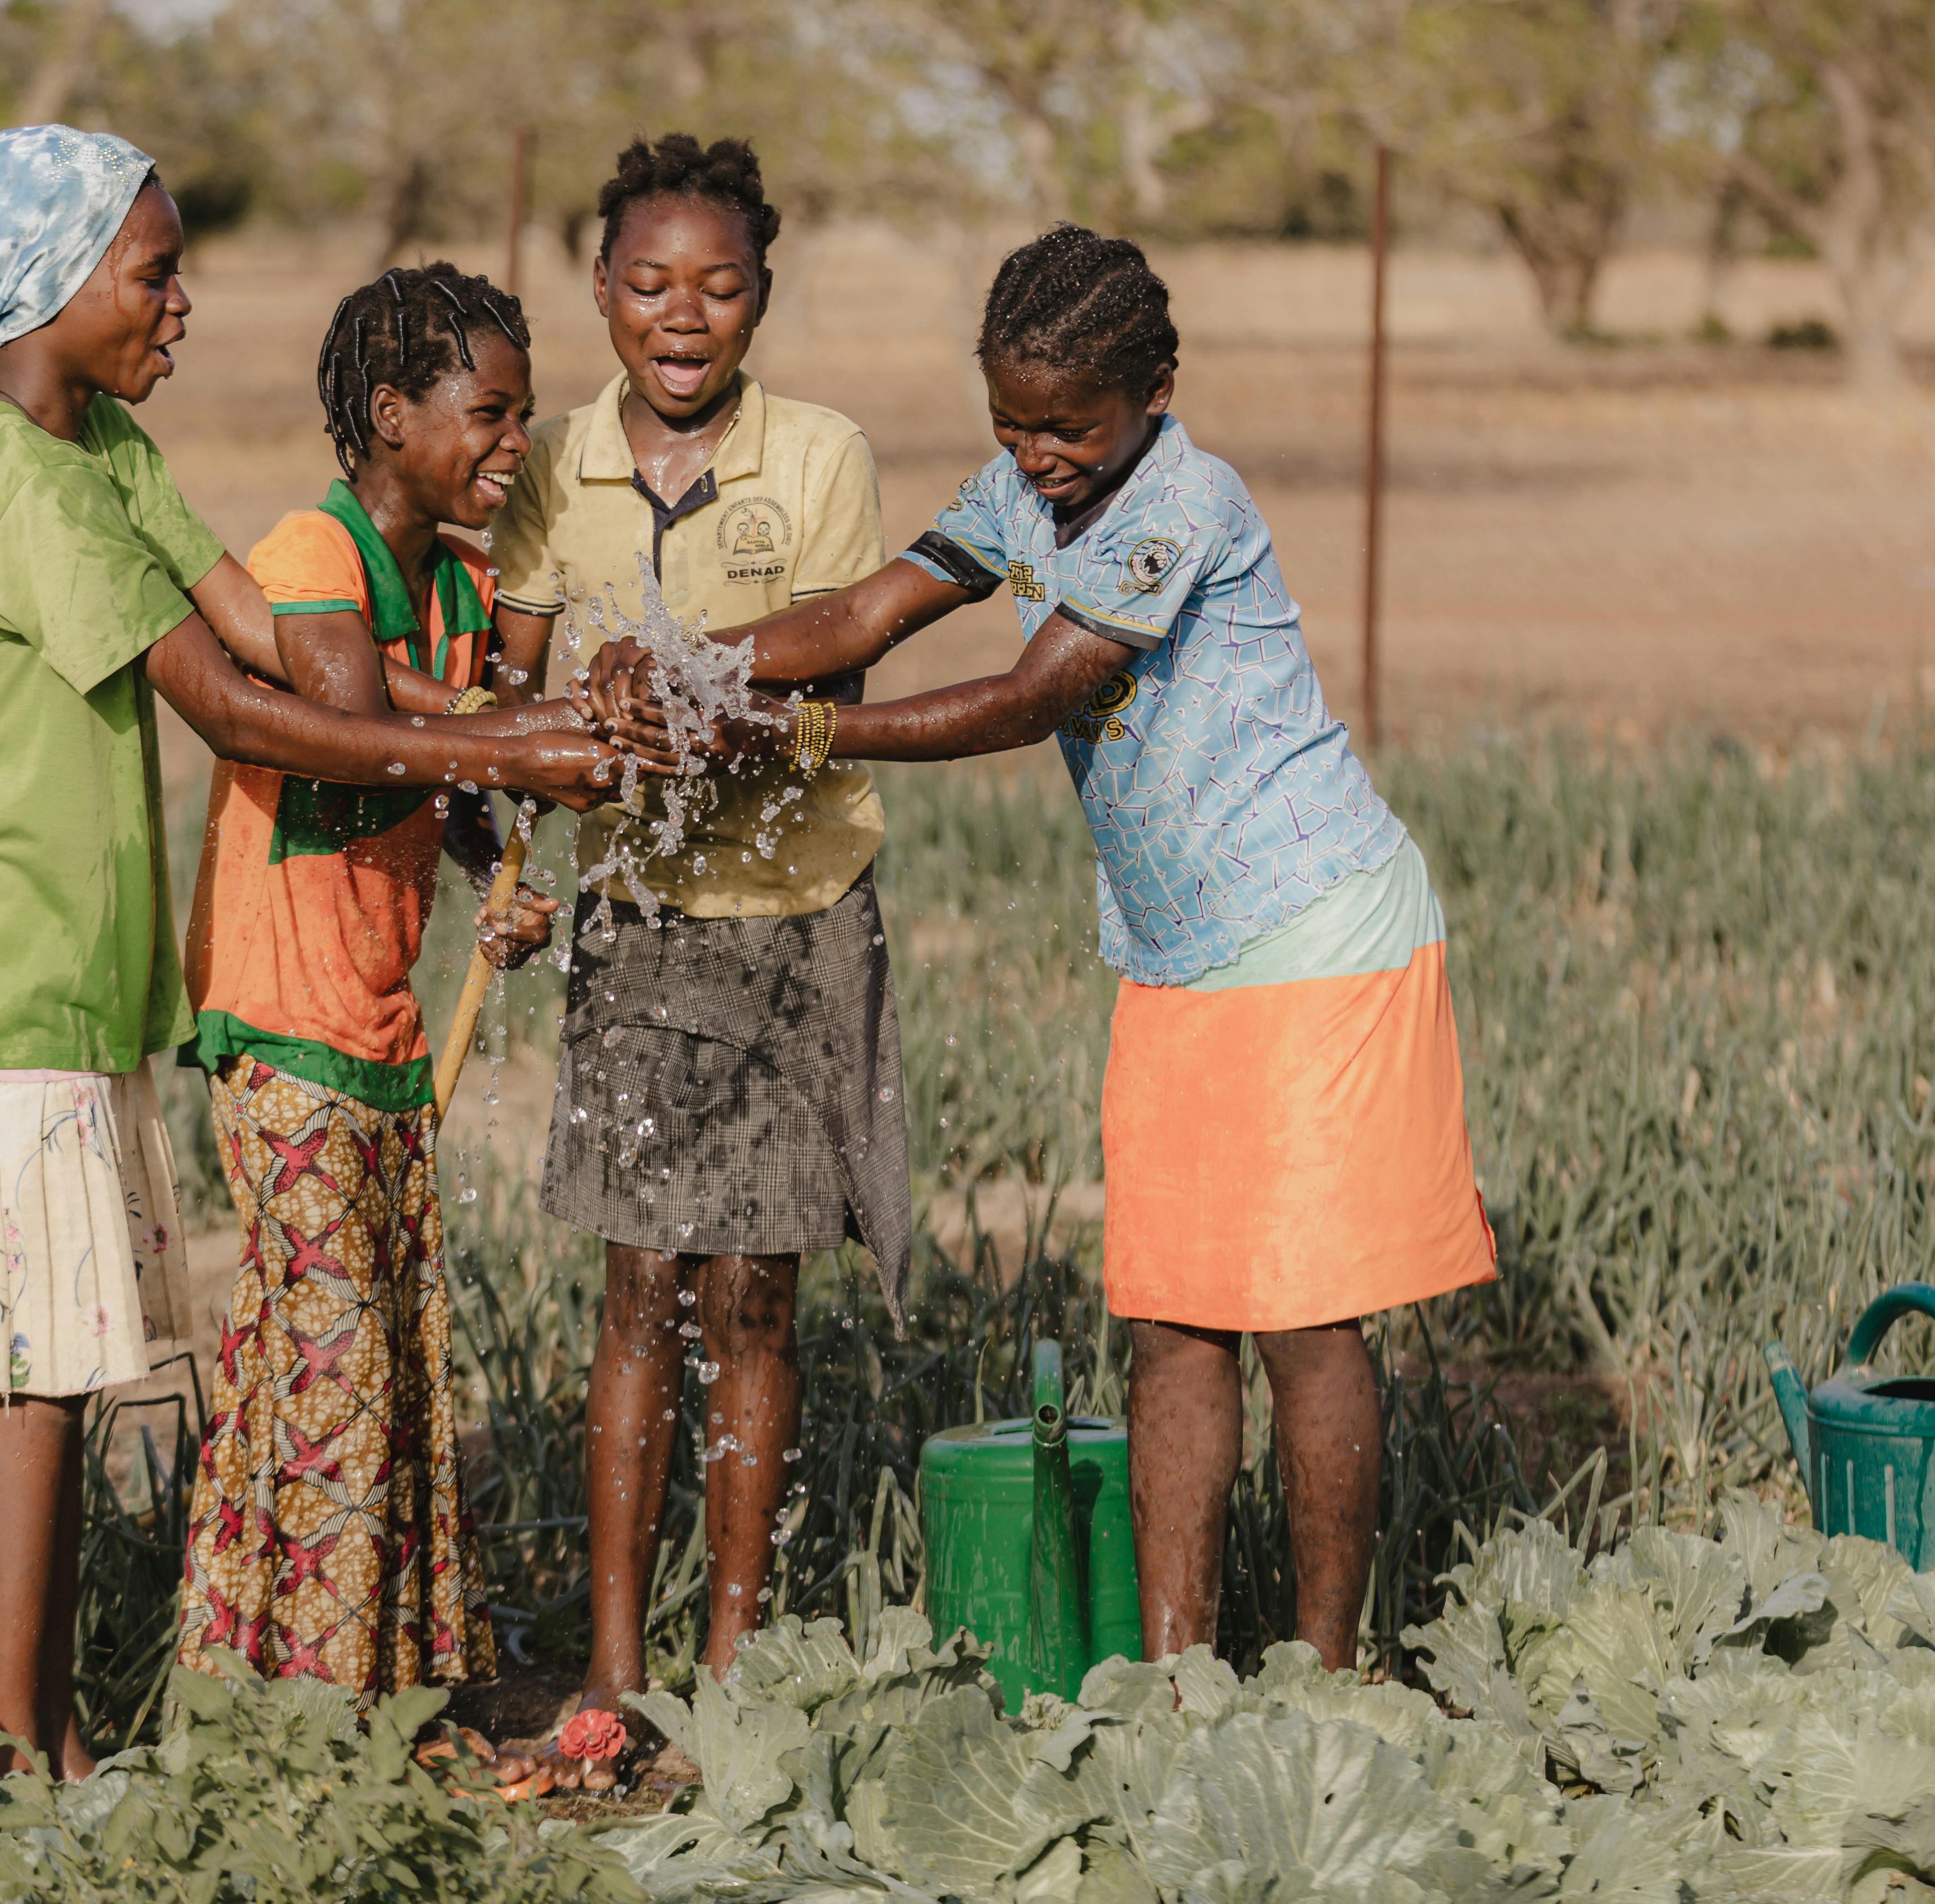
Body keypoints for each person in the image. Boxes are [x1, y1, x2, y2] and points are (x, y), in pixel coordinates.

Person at [0, 126, 612, 1780]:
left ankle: (49, 1733)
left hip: (80, 982)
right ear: (48, 287)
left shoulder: (92, 443)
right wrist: (494, 750)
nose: (183, 303)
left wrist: (486, 725)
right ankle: (10, 1750)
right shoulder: (8, 481)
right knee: (26, 1378)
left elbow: (262, 629)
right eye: (154, 271)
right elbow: (236, 703)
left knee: (66, 1368)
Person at [589, 223, 1497, 1672]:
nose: (1040, 453)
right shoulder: (1019, 489)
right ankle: (1180, 1679)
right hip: (1180, 954)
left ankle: (1330, 1671)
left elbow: (1028, 698)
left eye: (1070, 425)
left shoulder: (1183, 505)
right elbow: (869, 610)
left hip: (1320, 935)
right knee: (1175, 1324)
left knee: (1306, 1325)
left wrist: (781, 730)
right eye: (1011, 422)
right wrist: (694, 661)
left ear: (1156, 387)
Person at [484, 135, 912, 1789]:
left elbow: (825, 667)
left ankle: (730, 1660)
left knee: (756, 1291)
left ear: (763, 299)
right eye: (650, 286)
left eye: (720, 288)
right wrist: (519, 849)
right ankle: (614, 1667)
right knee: (639, 1292)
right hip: (637, 931)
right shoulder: (552, 470)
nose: (684, 317)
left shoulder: (817, 456)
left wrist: (691, 714)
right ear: (601, 292)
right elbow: (518, 698)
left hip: (796, 921)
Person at [170, 263, 574, 1701]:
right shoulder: (310, 556)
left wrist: (494, 879)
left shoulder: (458, 585)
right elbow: (350, 713)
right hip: (278, 1024)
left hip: (382, 1027)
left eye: (525, 415)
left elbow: (459, 799)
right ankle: (322, 1727)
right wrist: (506, 731)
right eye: (491, 411)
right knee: (337, 1368)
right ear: (391, 415)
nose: (515, 442)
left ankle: (338, 1697)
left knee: (375, 1369)